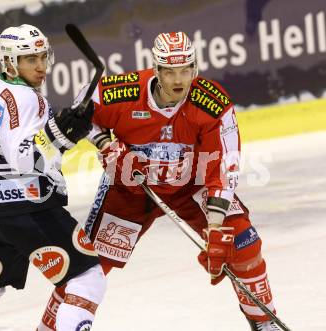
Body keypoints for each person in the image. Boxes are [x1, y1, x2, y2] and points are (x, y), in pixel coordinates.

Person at [37, 31, 281, 331]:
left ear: (195, 68)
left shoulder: (212, 103)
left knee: (243, 244)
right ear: (156, 70)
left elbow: (224, 169)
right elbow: (82, 107)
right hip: (129, 191)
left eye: (185, 70)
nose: (179, 80)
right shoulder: (123, 92)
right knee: (88, 267)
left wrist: (216, 228)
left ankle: (265, 324)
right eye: (170, 71)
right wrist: (105, 144)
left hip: (192, 187)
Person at [0, 24, 106, 331]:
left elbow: (10, 151)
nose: (41, 66)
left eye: (43, 56)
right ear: (9, 62)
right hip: (29, 208)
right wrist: (60, 133)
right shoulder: (28, 98)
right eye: (30, 59)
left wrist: (61, 134)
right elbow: (25, 159)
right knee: (87, 278)